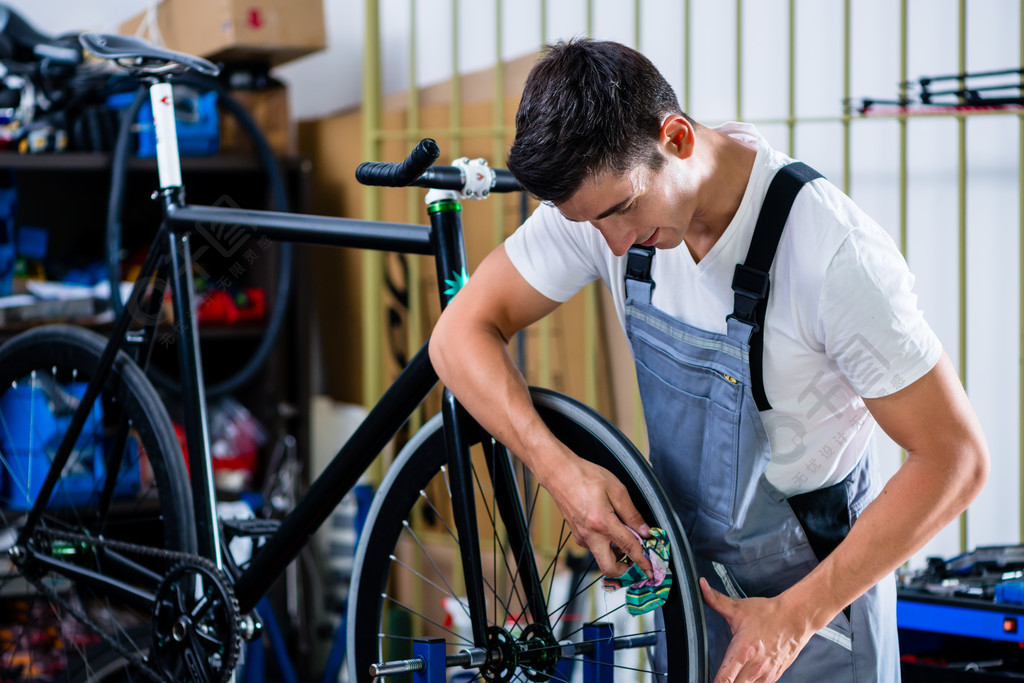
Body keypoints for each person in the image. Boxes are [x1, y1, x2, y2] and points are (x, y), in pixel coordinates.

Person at [428, 38, 989, 682]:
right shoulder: (604, 208)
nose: (612, 242)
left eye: (621, 210)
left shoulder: (833, 254)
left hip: (816, 613)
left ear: (677, 138)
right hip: (693, 602)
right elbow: (458, 335)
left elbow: (957, 458)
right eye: (590, 224)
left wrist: (796, 617)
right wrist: (561, 471)